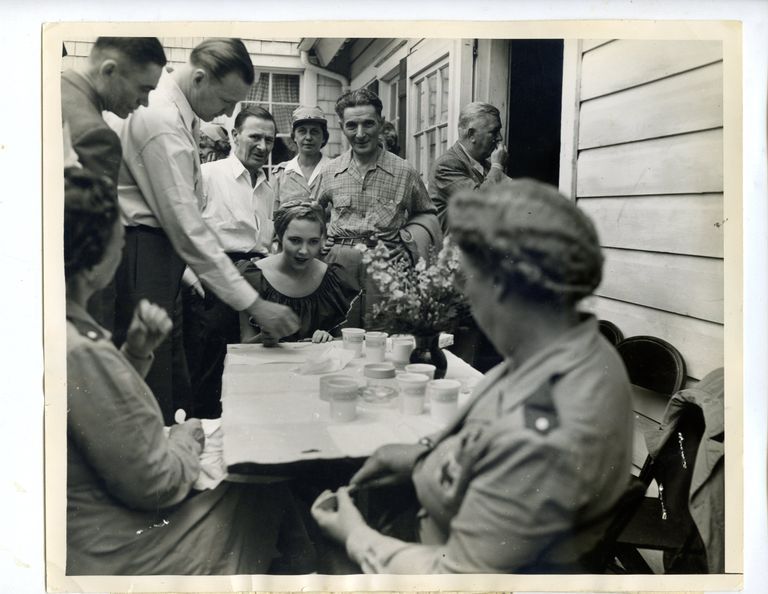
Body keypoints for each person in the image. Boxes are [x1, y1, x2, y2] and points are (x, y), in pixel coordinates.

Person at [311, 179, 634, 574]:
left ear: (499, 282)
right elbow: (488, 444)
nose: (464, 293)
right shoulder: (565, 348)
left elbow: (458, 579)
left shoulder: (547, 431)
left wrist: (354, 536)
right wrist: (419, 460)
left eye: (466, 277)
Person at [64, 167, 314, 575]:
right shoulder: (80, 348)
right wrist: (185, 437)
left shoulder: (63, 329)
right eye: (119, 238)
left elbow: (96, 408)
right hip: (117, 550)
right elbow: (156, 483)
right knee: (268, 486)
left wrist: (136, 353)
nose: (125, 246)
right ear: (94, 263)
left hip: (90, 524)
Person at [109, 38, 299, 423]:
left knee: (173, 377)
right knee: (150, 380)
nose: (228, 114)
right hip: (143, 252)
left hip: (165, 258)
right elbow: (188, 227)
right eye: (227, 101)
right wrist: (253, 303)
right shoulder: (161, 121)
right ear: (199, 77)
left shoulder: (181, 113)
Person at [316, 88, 441, 327]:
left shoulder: (404, 171)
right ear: (342, 126)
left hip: (388, 269)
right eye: (352, 126)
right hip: (338, 268)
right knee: (339, 334)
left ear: (381, 124)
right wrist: (320, 238)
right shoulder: (330, 171)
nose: (360, 134)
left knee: (386, 336)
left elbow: (428, 215)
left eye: (368, 124)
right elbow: (312, 213)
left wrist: (407, 241)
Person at [184, 105, 279, 417]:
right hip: (214, 285)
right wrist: (190, 275)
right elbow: (183, 227)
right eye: (255, 137)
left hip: (256, 283)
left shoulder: (267, 186)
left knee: (251, 371)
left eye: (269, 139)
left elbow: (264, 242)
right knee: (209, 372)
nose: (263, 147)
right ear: (236, 135)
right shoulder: (208, 175)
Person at [238, 201, 360, 344]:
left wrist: (328, 338)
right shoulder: (253, 277)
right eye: (295, 240)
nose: (304, 251)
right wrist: (263, 339)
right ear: (280, 237)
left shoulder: (334, 280)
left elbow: (347, 341)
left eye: (313, 242)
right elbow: (245, 342)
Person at [61, 36, 167, 186]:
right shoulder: (97, 137)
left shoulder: (52, 88)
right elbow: (98, 209)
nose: (145, 102)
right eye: (143, 89)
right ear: (109, 70)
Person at [429, 102, 509, 235]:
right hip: (455, 252)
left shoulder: (485, 165)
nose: (499, 138)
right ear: (471, 134)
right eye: (494, 132)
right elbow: (479, 205)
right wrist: (497, 166)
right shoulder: (446, 165)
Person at [272, 106, 330, 207]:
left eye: (314, 132)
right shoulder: (280, 174)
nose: (308, 137)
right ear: (294, 136)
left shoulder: (335, 171)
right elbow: (273, 216)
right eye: (302, 131)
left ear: (324, 137)